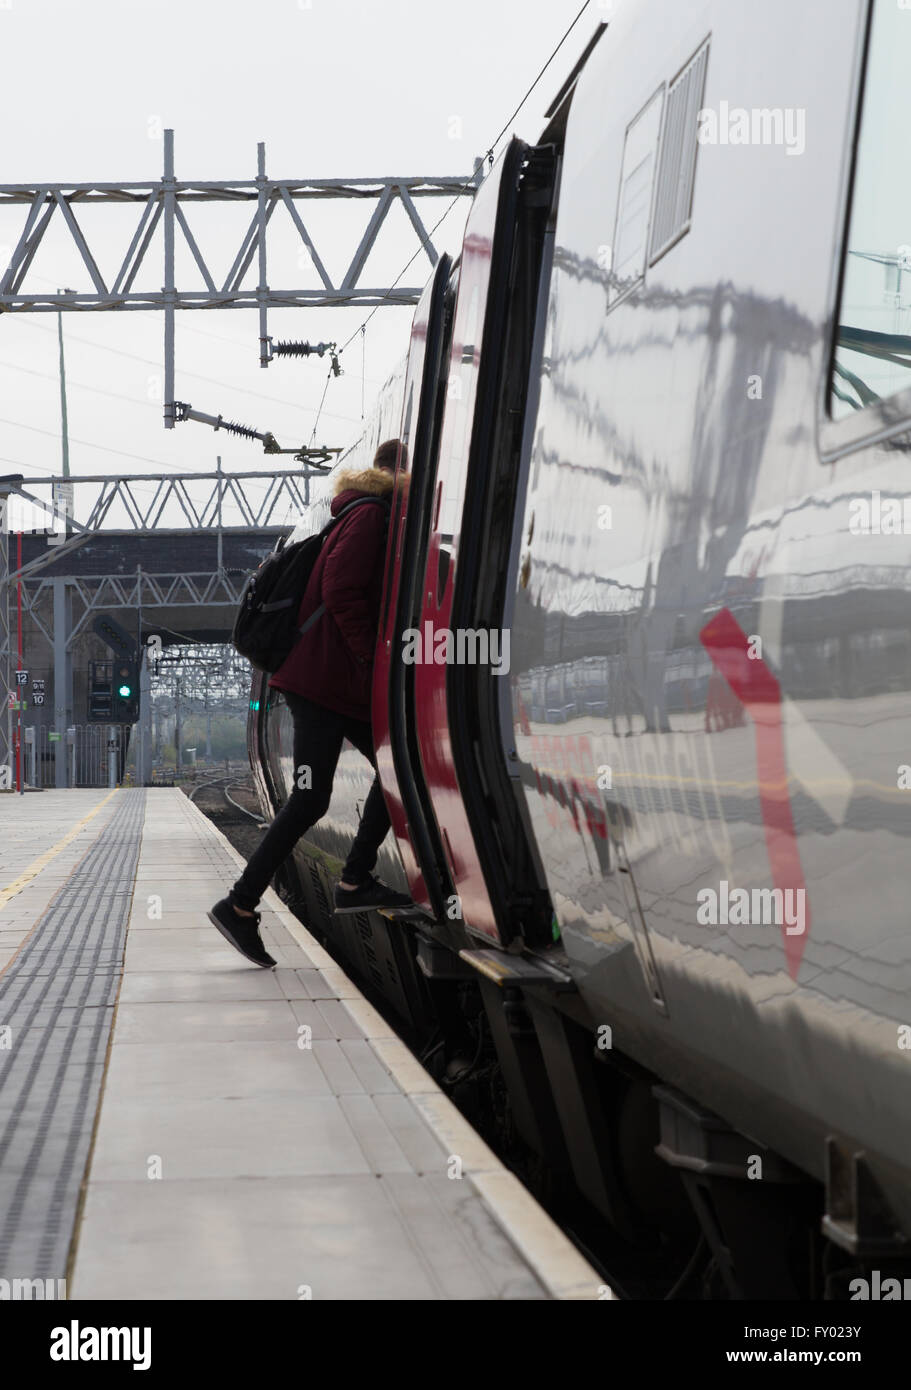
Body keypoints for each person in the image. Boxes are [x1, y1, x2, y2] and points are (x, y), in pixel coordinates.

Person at [209, 439, 413, 967]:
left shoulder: (362, 513)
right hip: (325, 684)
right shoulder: (370, 516)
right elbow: (342, 590)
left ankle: (345, 881)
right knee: (321, 794)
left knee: (390, 773)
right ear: (397, 473)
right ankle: (243, 903)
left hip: (328, 685)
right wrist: (375, 661)